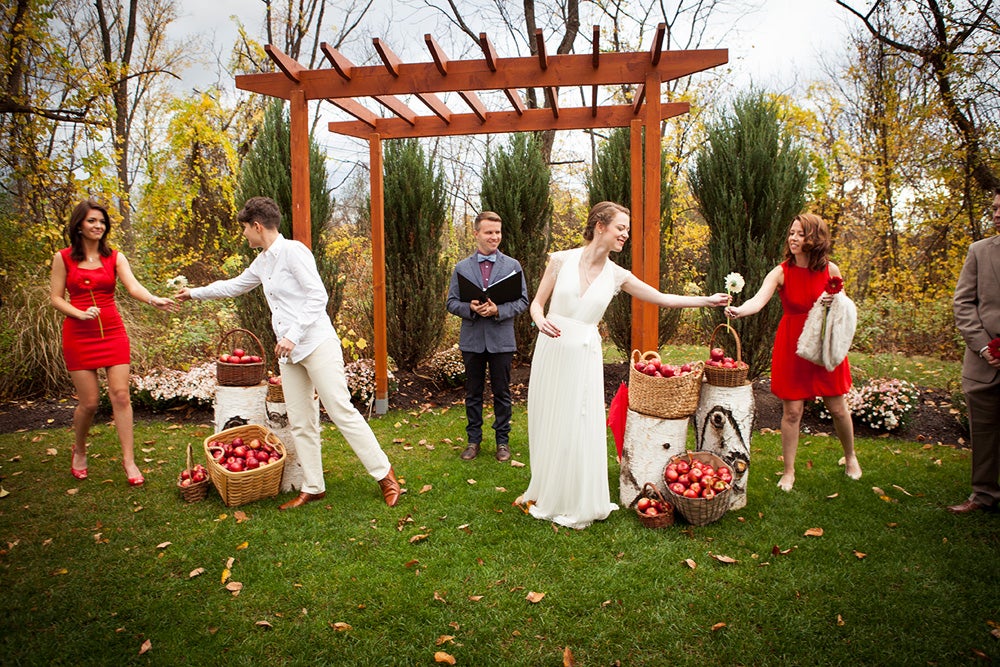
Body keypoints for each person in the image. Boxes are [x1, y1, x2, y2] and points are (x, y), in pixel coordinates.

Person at [175, 196, 400, 509]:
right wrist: (193, 294)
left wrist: (293, 336)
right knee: (300, 420)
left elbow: (317, 297)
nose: (244, 236)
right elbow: (234, 285)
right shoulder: (263, 261)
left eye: (245, 229)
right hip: (289, 353)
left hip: (316, 343)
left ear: (257, 226)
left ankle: (386, 477)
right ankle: (313, 486)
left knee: (340, 411)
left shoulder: (293, 251)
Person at [517, 202, 729, 529]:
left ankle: (579, 498)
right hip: (552, 347)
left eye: (627, 230)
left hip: (584, 355)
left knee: (579, 422)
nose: (625, 235)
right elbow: (536, 304)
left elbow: (662, 298)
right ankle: (547, 490)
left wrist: (706, 300)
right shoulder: (561, 259)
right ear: (600, 226)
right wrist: (539, 321)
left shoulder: (618, 275)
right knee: (550, 419)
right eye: (621, 228)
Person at [726, 213, 862, 492]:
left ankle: (850, 457)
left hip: (823, 344)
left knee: (837, 408)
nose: (793, 238)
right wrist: (739, 310)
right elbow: (758, 299)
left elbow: (844, 310)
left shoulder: (831, 270)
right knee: (792, 412)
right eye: (792, 233)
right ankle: (788, 471)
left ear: (814, 237)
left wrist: (834, 301)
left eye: (800, 234)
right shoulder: (781, 271)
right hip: (792, 345)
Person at [50, 198, 179, 486]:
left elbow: (133, 287)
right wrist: (80, 314)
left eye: (101, 221)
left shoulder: (115, 257)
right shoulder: (63, 258)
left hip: (111, 331)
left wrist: (153, 299)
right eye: (91, 221)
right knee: (90, 403)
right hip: (78, 334)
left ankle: (129, 461)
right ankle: (80, 450)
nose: (98, 226)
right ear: (79, 225)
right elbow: (56, 298)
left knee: (121, 395)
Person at [446, 211, 529, 462]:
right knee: (473, 392)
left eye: (497, 232)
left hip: (501, 340)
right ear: (476, 233)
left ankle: (502, 442)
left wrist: (498, 310)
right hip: (472, 340)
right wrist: (469, 308)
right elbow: (451, 302)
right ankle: (473, 441)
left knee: (503, 393)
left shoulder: (512, 266)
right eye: (489, 232)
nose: (494, 237)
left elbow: (523, 301)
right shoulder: (462, 268)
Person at [948, 188, 1000, 514]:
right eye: (995, 208)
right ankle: (983, 495)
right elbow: (963, 304)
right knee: (984, 432)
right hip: (984, 363)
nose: (996, 214)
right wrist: (983, 347)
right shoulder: (979, 251)